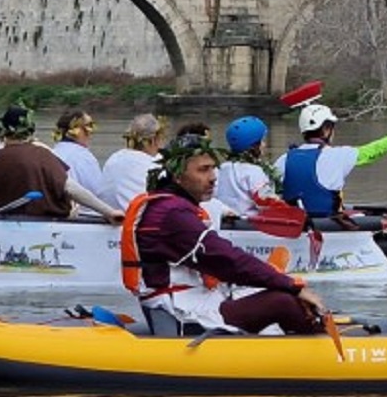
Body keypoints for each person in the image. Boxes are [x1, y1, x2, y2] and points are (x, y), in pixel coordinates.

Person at [126, 138, 329, 335]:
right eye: (203, 170)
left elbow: (226, 263)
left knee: (277, 295)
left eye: (213, 168)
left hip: (193, 301)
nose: (213, 177)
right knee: (282, 301)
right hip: (183, 314)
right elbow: (227, 260)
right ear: (178, 177)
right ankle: (325, 349)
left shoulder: (170, 206)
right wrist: (291, 285)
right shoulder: (171, 213)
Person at [0, 106, 123, 221]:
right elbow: (71, 188)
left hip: (3, 226)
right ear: (30, 129)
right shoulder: (41, 154)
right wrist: (109, 212)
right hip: (47, 227)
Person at [273, 104, 387, 217]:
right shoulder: (339, 156)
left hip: (296, 226)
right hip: (328, 225)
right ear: (327, 129)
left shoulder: (284, 159)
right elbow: (370, 152)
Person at [213, 116, 279, 218]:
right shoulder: (254, 171)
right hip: (250, 228)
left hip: (223, 224)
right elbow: (266, 203)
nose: (264, 145)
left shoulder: (220, 168)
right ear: (253, 146)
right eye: (261, 141)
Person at [98, 114, 166, 211]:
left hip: (107, 218)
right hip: (136, 222)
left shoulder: (114, 158)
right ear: (154, 140)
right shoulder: (156, 165)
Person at [51, 110, 105, 204]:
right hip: (82, 213)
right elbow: (98, 191)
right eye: (89, 127)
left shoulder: (52, 152)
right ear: (77, 131)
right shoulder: (84, 157)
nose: (91, 133)